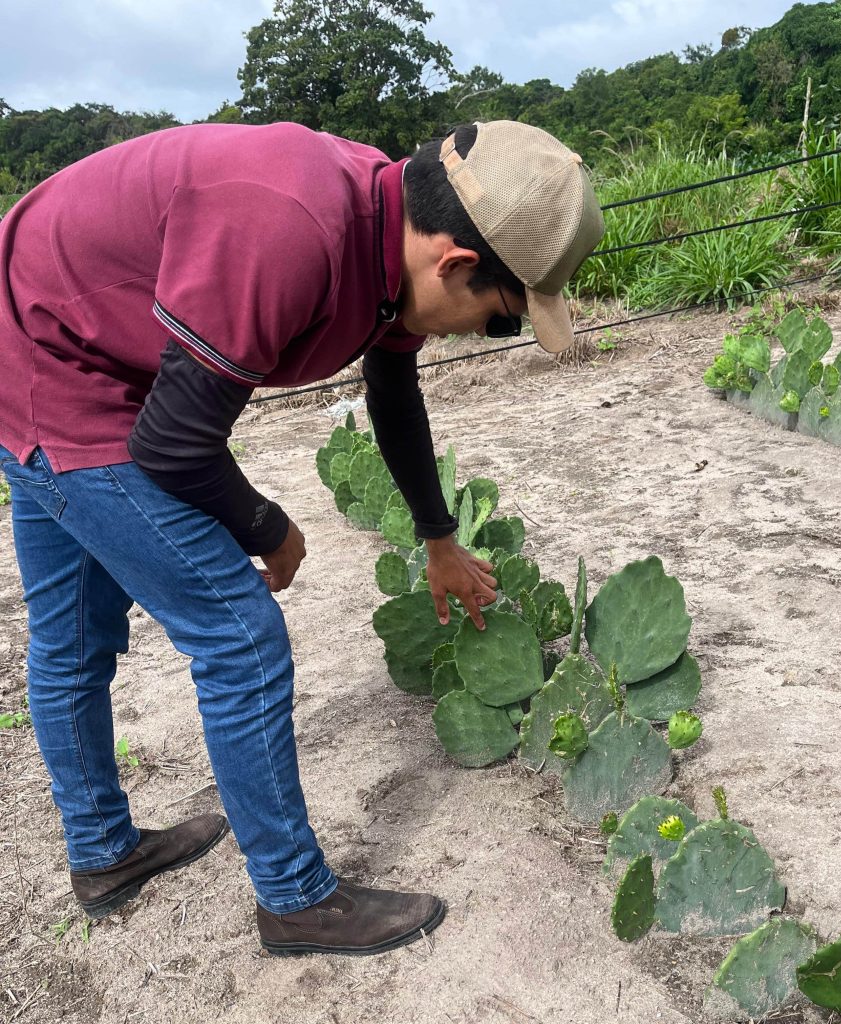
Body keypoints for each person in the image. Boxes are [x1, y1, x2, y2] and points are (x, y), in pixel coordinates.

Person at [0, 119, 605, 956]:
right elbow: (172, 444)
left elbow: (392, 380)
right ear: (455, 263)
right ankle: (294, 898)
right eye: (503, 319)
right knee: (238, 635)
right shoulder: (291, 230)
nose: (486, 336)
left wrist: (438, 537)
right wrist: (271, 528)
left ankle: (104, 854)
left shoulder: (387, 220)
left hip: (58, 336)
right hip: (56, 367)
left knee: (71, 637)